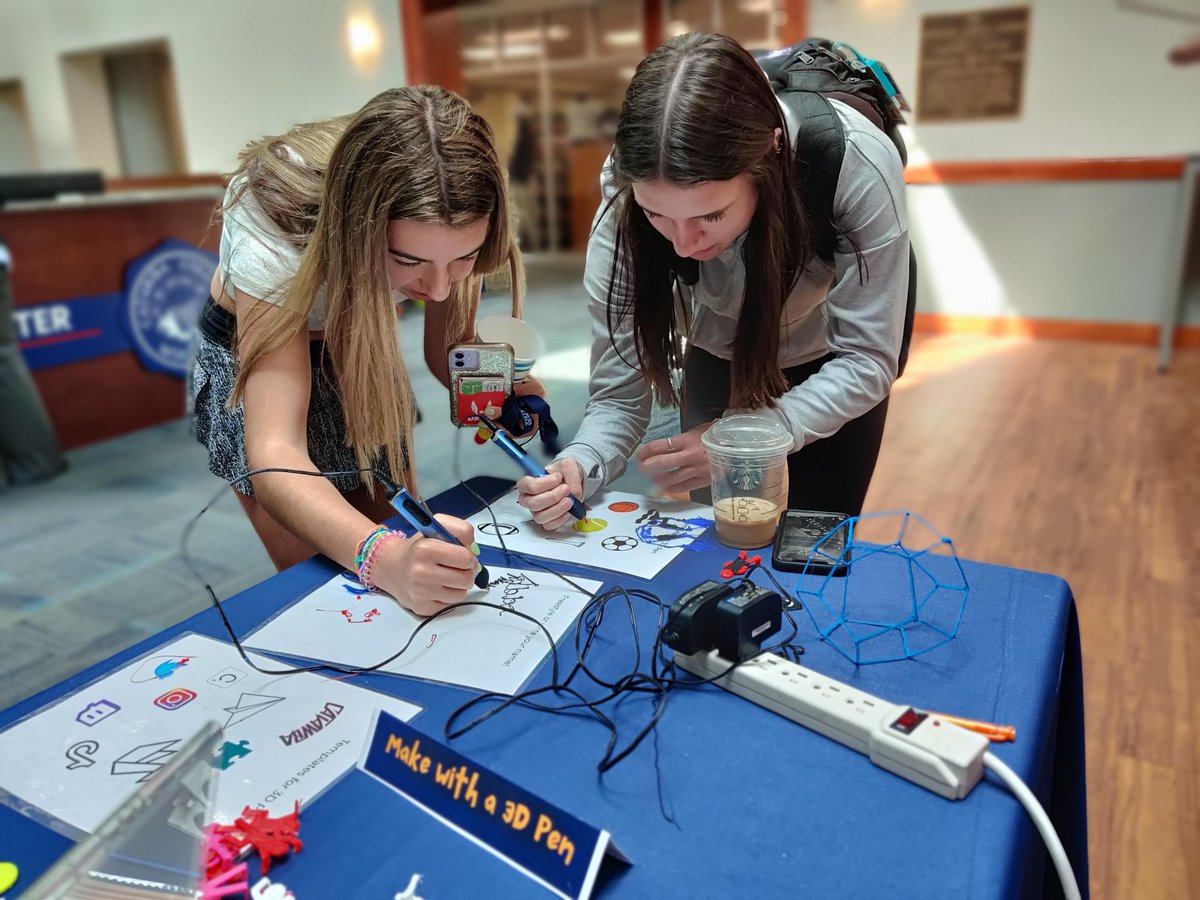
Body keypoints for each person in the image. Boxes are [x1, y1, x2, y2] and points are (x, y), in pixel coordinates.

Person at [518, 32, 908, 530]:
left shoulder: (855, 162)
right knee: (718, 531)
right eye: (657, 215)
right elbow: (619, 393)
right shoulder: (624, 199)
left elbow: (867, 358)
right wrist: (580, 462)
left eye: (712, 215)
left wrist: (750, 435)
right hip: (720, 344)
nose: (683, 245)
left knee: (816, 540)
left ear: (769, 156)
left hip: (836, 351)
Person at [190, 86, 528, 615]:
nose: (438, 290)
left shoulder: (453, 203)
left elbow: (450, 352)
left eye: (462, 260)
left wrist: (510, 399)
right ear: (360, 226)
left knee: (406, 536)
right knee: (326, 581)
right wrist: (383, 559)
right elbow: (274, 454)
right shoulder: (273, 219)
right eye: (408, 260)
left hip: (358, 339)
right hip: (261, 348)